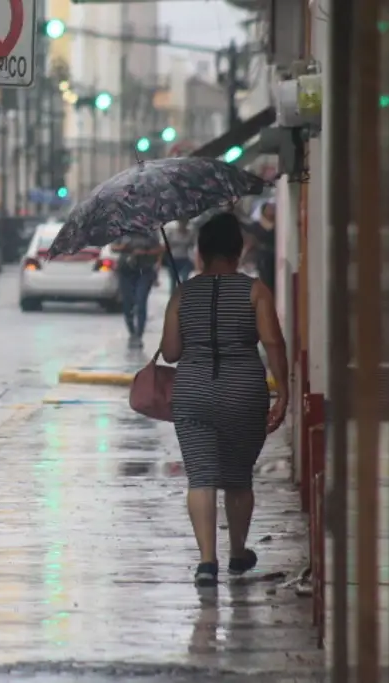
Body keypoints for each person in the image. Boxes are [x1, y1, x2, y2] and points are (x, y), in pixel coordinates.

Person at [159, 211, 289, 588]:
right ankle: (236, 552)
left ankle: (205, 562)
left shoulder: (183, 293)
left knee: (200, 477)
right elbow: (274, 343)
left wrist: (187, 318)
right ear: (239, 250)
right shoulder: (256, 291)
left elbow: (170, 353)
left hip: (194, 391)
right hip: (244, 392)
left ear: (200, 251)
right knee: (237, 477)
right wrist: (283, 391)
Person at [112, 230, 165, 348]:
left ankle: (139, 335)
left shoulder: (151, 232)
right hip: (126, 271)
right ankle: (132, 332)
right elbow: (113, 247)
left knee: (141, 302)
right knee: (128, 303)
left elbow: (160, 249)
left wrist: (144, 252)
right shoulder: (122, 231)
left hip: (144, 271)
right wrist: (124, 247)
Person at [243, 199, 276, 292]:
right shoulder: (256, 227)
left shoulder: (279, 226)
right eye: (269, 208)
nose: (272, 209)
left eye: (273, 207)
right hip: (264, 262)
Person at [164, 220, 196, 293]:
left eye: (184, 223)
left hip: (185, 259)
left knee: (184, 278)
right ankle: (173, 298)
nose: (182, 225)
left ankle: (182, 296)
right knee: (173, 280)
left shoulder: (190, 234)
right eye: (181, 223)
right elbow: (165, 246)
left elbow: (193, 246)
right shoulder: (172, 233)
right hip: (173, 259)